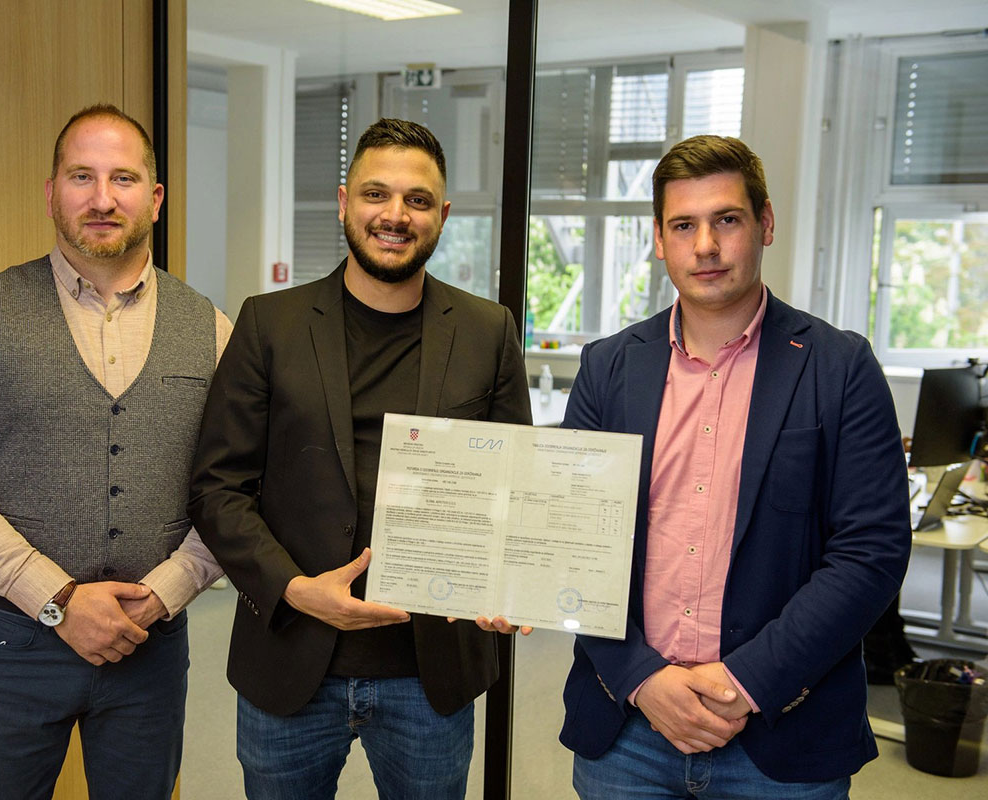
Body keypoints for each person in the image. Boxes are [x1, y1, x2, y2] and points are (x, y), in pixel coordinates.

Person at [559, 135, 912, 798]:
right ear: (658, 239)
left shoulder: (841, 368)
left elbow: (872, 551)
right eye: (683, 225)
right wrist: (641, 677)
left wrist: (745, 681)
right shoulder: (608, 367)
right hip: (628, 732)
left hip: (782, 734)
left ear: (765, 223)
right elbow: (571, 541)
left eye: (726, 219)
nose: (706, 246)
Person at [188, 118, 531, 799]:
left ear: (442, 215)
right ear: (345, 202)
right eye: (377, 194)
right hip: (290, 656)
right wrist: (294, 588)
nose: (395, 215)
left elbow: (514, 487)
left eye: (417, 200)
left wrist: (511, 578)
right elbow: (216, 487)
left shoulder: (487, 331)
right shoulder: (269, 324)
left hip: (430, 675)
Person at [0, 104, 229, 800]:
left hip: (150, 646)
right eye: (82, 176)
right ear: (52, 192)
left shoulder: (211, 328)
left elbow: (233, 493)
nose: (102, 198)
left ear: (155, 198)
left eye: (123, 178)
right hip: (15, 644)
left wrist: (167, 592)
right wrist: (56, 600)